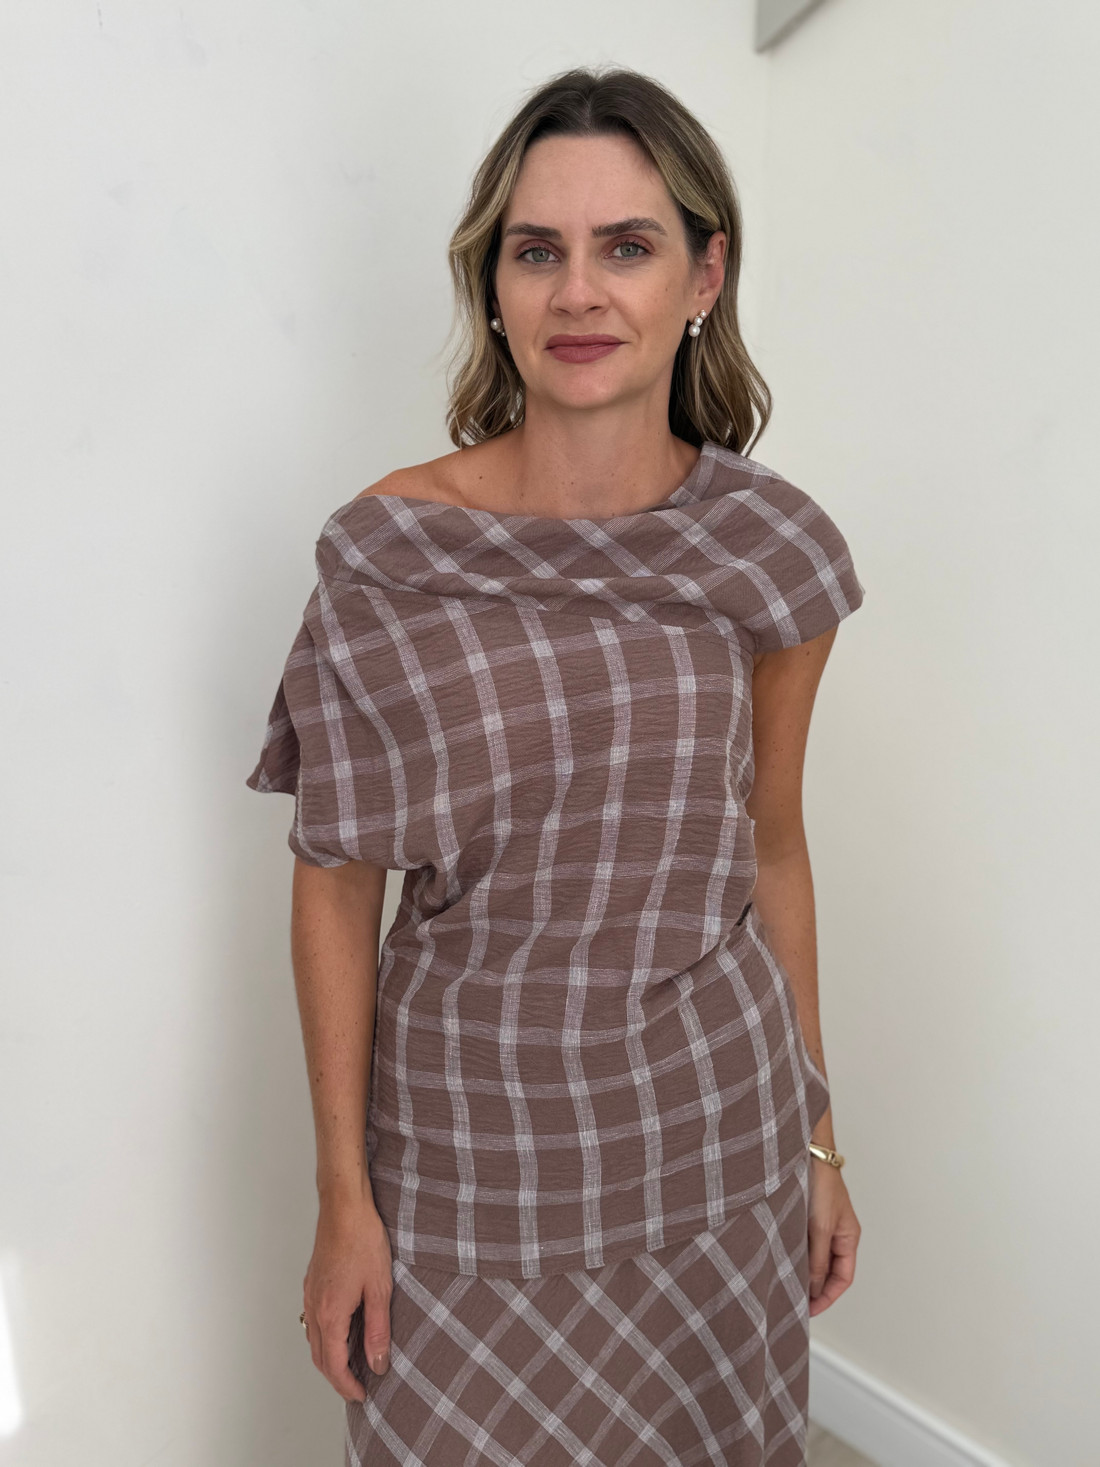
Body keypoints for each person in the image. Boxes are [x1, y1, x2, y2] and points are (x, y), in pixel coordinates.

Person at [247, 64, 865, 1467]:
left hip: (715, 1136)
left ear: (705, 275)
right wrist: (343, 1198)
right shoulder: (389, 556)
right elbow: (336, 880)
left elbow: (772, 847)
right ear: (494, 284)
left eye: (626, 247)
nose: (578, 293)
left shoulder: (771, 551)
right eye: (538, 252)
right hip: (466, 1161)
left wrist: (821, 1140)